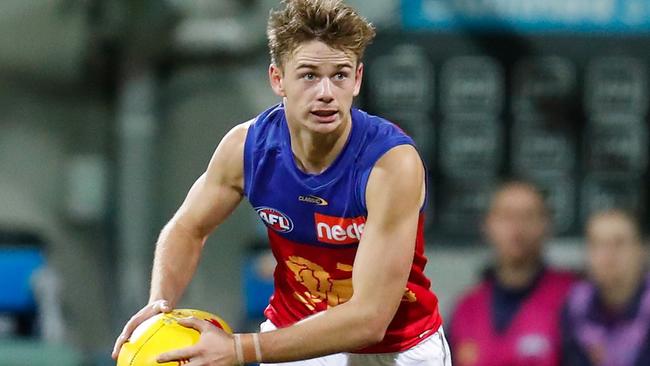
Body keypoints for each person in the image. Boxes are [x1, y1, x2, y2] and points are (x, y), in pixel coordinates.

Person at [111, 1, 450, 365]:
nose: (325, 92)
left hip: (396, 348)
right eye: (308, 75)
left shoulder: (390, 163)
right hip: (295, 336)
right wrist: (159, 305)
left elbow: (369, 320)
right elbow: (187, 228)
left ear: (357, 80)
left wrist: (241, 349)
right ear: (278, 79)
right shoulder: (247, 149)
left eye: (339, 75)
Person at [448, 181, 576, 366]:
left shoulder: (573, 299)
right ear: (487, 224)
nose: (517, 227)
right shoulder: (466, 309)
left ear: (547, 225)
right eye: (506, 216)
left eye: (528, 216)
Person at [561, 209, 650, 366]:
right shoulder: (575, 305)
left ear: (642, 250)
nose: (608, 254)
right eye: (598, 244)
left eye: (619, 243)